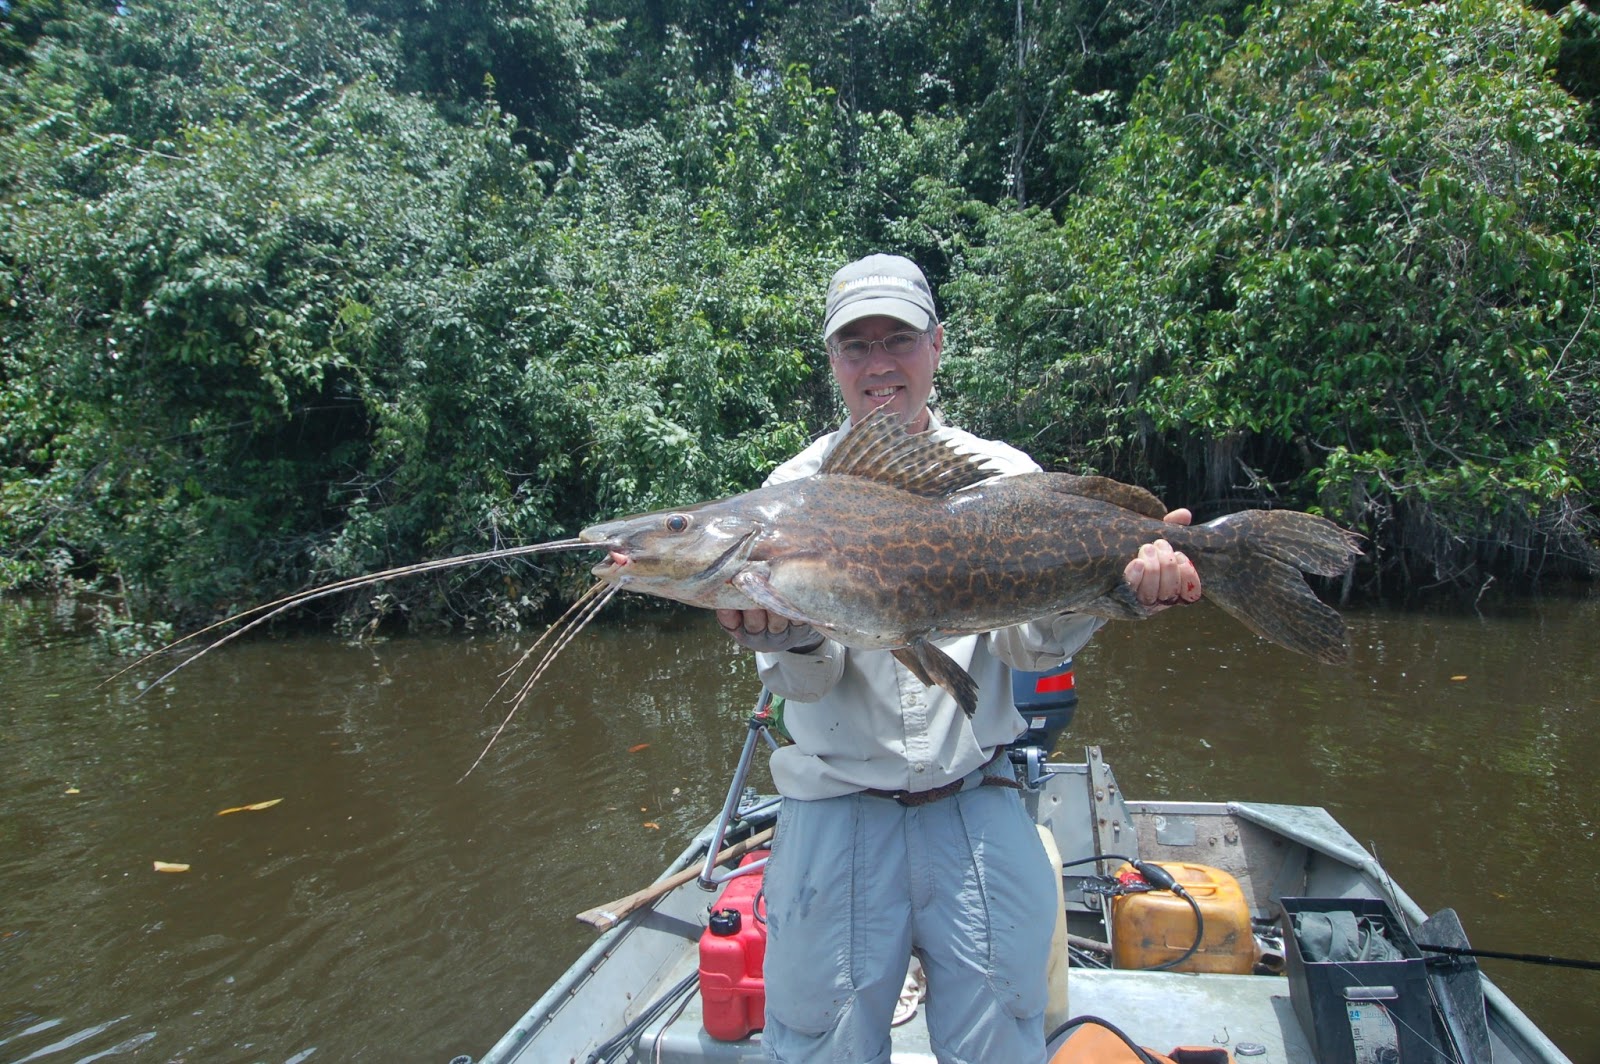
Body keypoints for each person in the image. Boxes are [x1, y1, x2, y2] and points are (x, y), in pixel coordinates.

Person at [716, 254, 1201, 1064]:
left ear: (936, 345)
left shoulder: (1006, 480)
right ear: (832, 362)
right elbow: (809, 683)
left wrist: (1114, 594)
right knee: (815, 1049)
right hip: (835, 815)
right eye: (855, 346)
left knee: (1004, 1046)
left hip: (980, 803)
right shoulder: (790, 495)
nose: (878, 364)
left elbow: (1024, 645)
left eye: (897, 338)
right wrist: (784, 636)